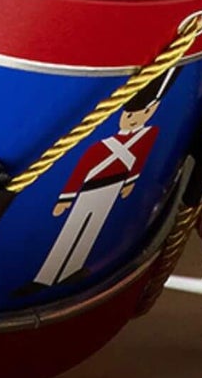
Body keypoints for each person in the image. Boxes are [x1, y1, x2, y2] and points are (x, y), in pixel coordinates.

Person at [16, 68, 173, 295]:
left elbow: (137, 163)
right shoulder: (102, 145)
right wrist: (66, 199)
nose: (132, 120)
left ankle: (72, 270)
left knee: (91, 230)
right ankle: (45, 277)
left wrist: (130, 183)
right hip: (89, 190)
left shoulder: (145, 137)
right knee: (73, 228)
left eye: (140, 114)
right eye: (129, 115)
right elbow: (81, 170)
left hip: (112, 188)